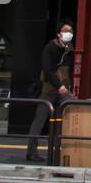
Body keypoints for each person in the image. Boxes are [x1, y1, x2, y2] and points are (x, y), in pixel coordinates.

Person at [25, 22, 74, 162]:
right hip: (49, 89)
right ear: (58, 34)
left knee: (65, 117)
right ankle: (31, 152)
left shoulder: (69, 49)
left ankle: (60, 149)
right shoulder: (50, 48)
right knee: (40, 119)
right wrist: (59, 85)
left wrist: (67, 87)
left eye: (70, 31)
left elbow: (67, 71)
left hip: (64, 90)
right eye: (65, 31)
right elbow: (48, 70)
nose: (68, 33)